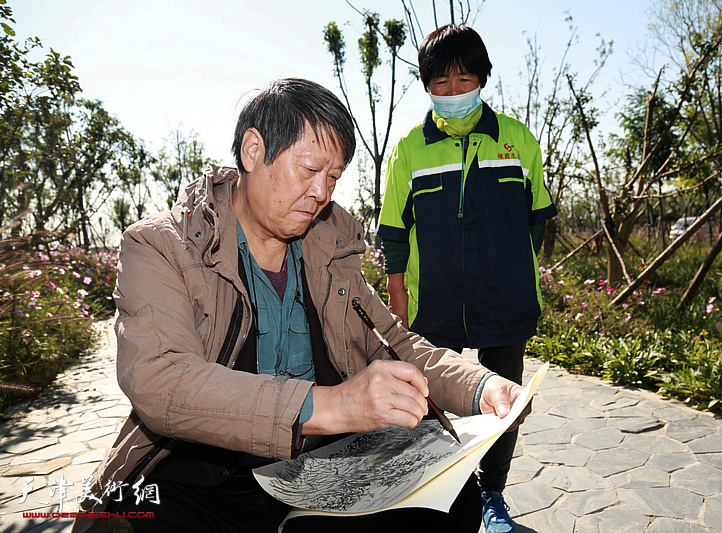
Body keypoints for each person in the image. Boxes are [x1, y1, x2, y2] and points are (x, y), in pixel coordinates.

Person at [73, 78, 529, 533]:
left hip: (324, 465)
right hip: (204, 475)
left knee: (453, 501)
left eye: (333, 177)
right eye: (309, 170)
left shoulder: (329, 248)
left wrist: (481, 385)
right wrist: (332, 406)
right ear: (253, 151)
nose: (322, 193)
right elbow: (162, 381)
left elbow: (392, 344)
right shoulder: (161, 246)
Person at [377, 25, 557, 533]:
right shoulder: (411, 149)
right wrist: (398, 296)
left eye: (464, 78)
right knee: (431, 398)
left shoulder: (516, 139)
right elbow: (394, 229)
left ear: (482, 79)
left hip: (504, 299)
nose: (454, 92)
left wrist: (511, 268)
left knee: (505, 400)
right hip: (434, 301)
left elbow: (536, 216)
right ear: (426, 85)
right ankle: (443, 487)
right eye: (441, 82)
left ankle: (492, 496)